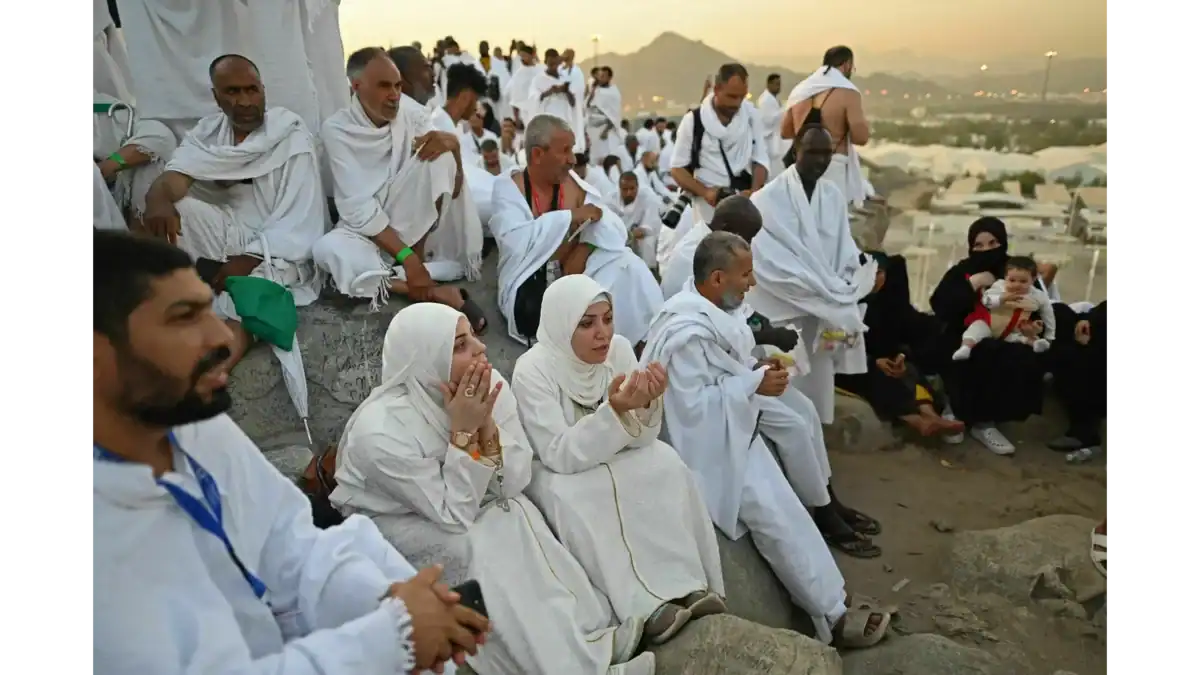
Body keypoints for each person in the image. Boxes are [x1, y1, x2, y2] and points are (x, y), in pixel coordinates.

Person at [88, 230, 490, 674]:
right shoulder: (100, 542)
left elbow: (294, 547)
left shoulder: (195, 429)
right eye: (183, 318)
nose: (223, 338)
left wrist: (391, 605)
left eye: (210, 310)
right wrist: (390, 637)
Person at [330, 303, 655, 675]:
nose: (481, 350)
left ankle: (589, 636)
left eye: (474, 338)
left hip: (459, 500)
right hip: (397, 522)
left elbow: (514, 480)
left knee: (514, 511)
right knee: (481, 542)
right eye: (460, 345)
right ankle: (567, 667)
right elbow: (452, 513)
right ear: (425, 358)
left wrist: (484, 428)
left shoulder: (486, 385)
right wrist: (465, 432)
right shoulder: (380, 432)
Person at [640, 231, 890, 646]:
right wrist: (752, 385)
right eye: (746, 274)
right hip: (708, 449)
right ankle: (832, 619)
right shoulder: (685, 331)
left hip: (735, 431)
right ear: (717, 278)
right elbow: (691, 410)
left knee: (790, 510)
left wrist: (756, 370)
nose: (752, 282)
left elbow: (723, 369)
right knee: (775, 520)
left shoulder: (710, 307)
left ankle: (836, 598)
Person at [511, 275, 727, 647]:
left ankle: (687, 584)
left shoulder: (620, 351)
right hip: (559, 470)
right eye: (587, 323)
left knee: (664, 465)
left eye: (608, 319)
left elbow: (644, 439)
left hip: (613, 453)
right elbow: (557, 452)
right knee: (583, 495)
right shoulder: (533, 369)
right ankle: (642, 608)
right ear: (562, 323)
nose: (603, 334)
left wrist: (644, 405)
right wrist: (613, 412)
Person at [141, 54, 326, 372]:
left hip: (280, 248)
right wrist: (158, 201)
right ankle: (163, 312)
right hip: (231, 230)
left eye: (252, 90)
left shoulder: (289, 135)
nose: (245, 101)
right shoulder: (209, 133)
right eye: (233, 92)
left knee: (247, 297)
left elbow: (302, 217)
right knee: (168, 212)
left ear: (263, 90)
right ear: (216, 96)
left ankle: (214, 374)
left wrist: (250, 259)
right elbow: (171, 180)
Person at [309, 48, 487, 330]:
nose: (394, 95)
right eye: (384, 86)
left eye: (397, 85)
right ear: (356, 87)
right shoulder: (337, 129)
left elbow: (451, 188)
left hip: (413, 231)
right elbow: (357, 208)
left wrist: (454, 150)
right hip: (367, 233)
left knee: (438, 153)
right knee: (326, 250)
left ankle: (400, 274)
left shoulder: (413, 116)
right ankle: (424, 288)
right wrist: (410, 262)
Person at [489, 114, 664, 346]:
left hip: (580, 270)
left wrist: (586, 244)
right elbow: (515, 241)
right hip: (530, 285)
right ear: (537, 155)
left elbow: (610, 226)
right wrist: (570, 218)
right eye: (565, 151)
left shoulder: (573, 186)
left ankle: (651, 343)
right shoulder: (509, 189)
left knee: (629, 266)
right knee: (592, 301)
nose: (572, 160)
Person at [747, 125, 877, 425]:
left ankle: (814, 435)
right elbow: (765, 258)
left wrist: (848, 281)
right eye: (813, 152)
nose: (820, 160)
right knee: (781, 390)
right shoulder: (767, 199)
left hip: (821, 305)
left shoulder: (832, 196)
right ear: (796, 151)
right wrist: (812, 287)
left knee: (816, 385)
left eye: (826, 153)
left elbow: (844, 247)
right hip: (784, 303)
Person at [929, 217, 1046, 454]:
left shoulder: (1018, 272)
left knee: (1013, 354)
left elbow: (1040, 305)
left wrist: (1032, 328)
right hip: (964, 333)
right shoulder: (961, 271)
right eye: (979, 245)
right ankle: (955, 408)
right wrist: (973, 283)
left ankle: (985, 422)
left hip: (1007, 335)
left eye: (993, 243)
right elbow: (940, 305)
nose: (986, 251)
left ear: (1003, 242)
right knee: (967, 349)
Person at [835, 253, 964, 437]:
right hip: (845, 365)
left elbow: (897, 338)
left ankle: (931, 416)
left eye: (879, 272)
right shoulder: (843, 305)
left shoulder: (887, 304)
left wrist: (899, 358)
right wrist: (874, 361)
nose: (874, 278)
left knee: (909, 370)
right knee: (878, 377)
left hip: (878, 359)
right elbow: (838, 346)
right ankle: (918, 421)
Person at [670, 63, 770, 225]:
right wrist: (706, 193)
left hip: (743, 204)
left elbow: (760, 160)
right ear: (716, 89)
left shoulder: (751, 116)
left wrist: (754, 192)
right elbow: (677, 169)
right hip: (707, 209)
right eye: (731, 96)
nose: (737, 103)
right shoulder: (694, 121)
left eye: (742, 97)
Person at [781, 46, 870, 207]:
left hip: (801, 167)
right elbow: (861, 138)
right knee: (830, 223)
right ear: (847, 65)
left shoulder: (801, 90)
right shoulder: (848, 93)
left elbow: (785, 132)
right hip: (833, 168)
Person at [88, 87, 178, 227]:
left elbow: (160, 136)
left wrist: (108, 166)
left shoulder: (97, 108)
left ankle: (142, 241)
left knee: (152, 160)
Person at [953, 256, 1056, 362]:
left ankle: (1037, 345)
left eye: (1023, 281)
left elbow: (1048, 315)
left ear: (1033, 280)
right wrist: (1002, 298)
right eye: (1012, 280)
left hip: (1015, 330)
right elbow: (986, 301)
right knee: (976, 327)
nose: (1017, 284)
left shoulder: (1038, 296)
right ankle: (966, 347)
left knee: (1025, 338)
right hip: (991, 325)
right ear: (1005, 277)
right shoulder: (999, 286)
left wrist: (1049, 336)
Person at [661, 194, 763, 301]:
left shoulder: (712, 243)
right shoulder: (694, 254)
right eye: (747, 237)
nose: (748, 244)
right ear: (725, 228)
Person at [1046, 296, 1111, 458]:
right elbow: (1106, 306)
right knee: (1058, 312)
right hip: (1094, 333)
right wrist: (1087, 320)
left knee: (1076, 359)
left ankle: (1084, 433)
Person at [529, 49, 586, 153]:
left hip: (565, 121)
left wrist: (566, 91)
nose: (553, 66)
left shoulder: (565, 78)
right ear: (545, 62)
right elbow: (533, 99)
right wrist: (549, 92)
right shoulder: (538, 79)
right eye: (550, 63)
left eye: (555, 63)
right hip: (548, 123)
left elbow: (574, 103)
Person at [616, 172, 665, 272]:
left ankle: (648, 271)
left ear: (637, 187)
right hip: (619, 235)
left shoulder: (647, 197)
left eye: (632, 188)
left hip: (639, 234)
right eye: (625, 189)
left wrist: (642, 230)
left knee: (647, 241)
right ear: (619, 188)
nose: (629, 192)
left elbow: (652, 223)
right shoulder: (610, 200)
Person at [586, 66, 623, 165]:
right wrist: (592, 91)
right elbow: (587, 105)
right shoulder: (595, 89)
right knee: (594, 159)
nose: (600, 78)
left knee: (607, 158)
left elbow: (614, 114)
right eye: (599, 76)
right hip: (593, 128)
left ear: (609, 77)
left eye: (603, 76)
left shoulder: (614, 92)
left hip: (607, 130)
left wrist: (606, 130)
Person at [756, 73, 786, 178]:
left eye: (779, 84)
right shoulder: (765, 100)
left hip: (776, 139)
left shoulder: (774, 99)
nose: (779, 87)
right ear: (769, 84)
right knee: (771, 171)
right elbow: (768, 120)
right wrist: (783, 111)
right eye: (776, 84)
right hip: (768, 140)